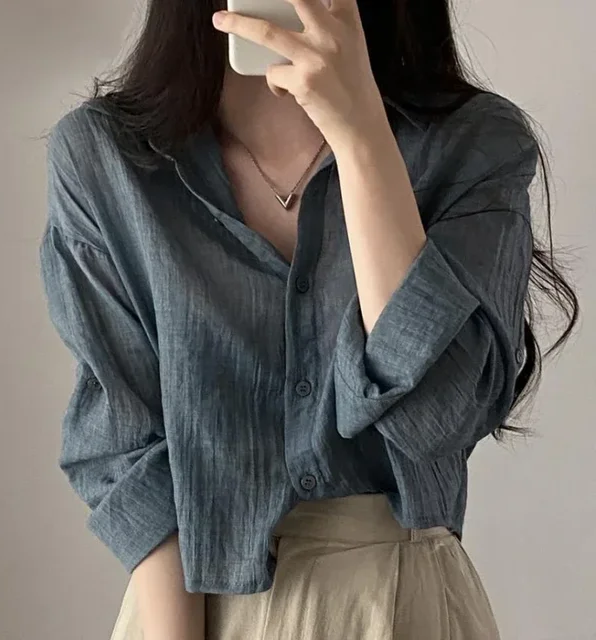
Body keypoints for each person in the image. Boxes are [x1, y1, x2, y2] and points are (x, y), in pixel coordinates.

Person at [39, 0, 578, 638]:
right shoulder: (106, 157)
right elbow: (129, 450)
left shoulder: (475, 145)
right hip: (192, 611)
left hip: (400, 608)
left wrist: (362, 135)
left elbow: (437, 417)